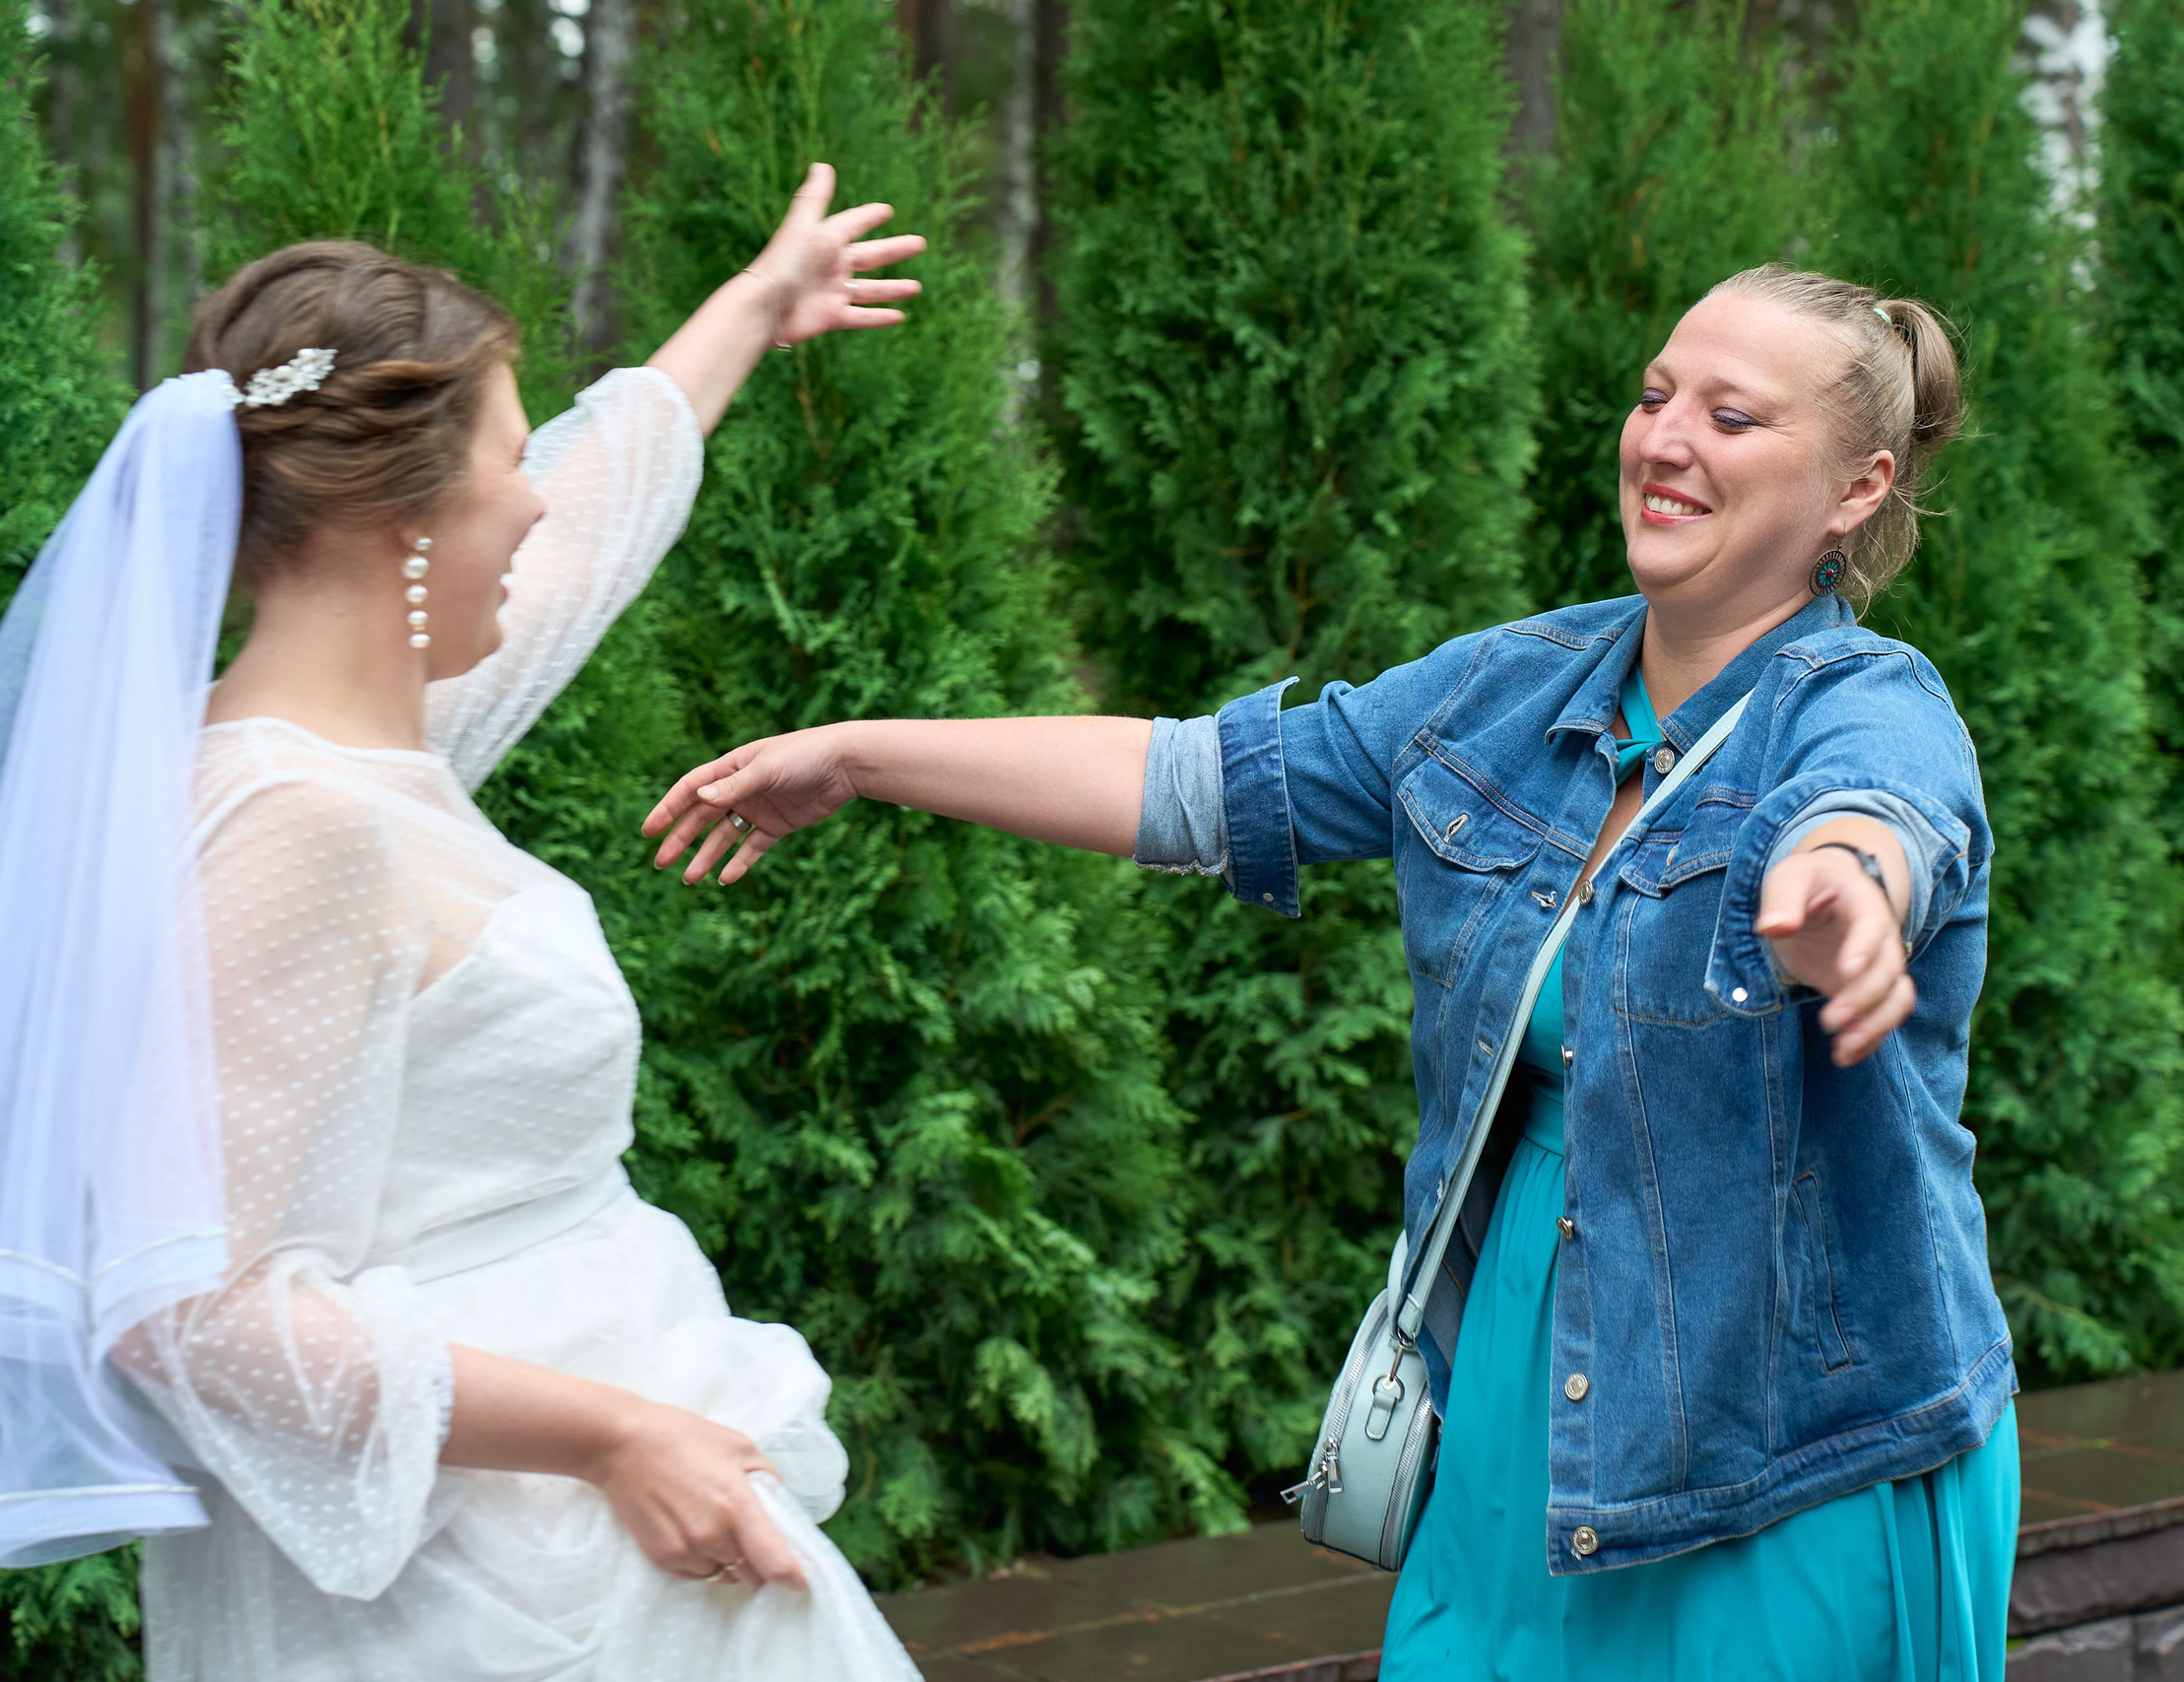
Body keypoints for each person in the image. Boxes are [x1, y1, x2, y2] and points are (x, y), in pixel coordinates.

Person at [645, 265, 2019, 1680]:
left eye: (1734, 417)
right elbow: (1198, 783)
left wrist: (1843, 895)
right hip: (1511, 1399)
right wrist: (864, 755)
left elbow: (1882, 813)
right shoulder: (1511, 689)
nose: (1667, 441)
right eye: (1658, 395)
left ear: (1855, 491)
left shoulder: (1872, 708)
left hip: (1788, 1447)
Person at [0, 166, 926, 1681]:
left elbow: (581, 542)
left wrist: (750, 310)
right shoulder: (297, 826)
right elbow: (187, 1312)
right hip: (484, 1581)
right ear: (403, 519)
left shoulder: (364, 754)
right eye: (511, 459)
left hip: (573, 1531)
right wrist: (614, 1439)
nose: (542, 495)